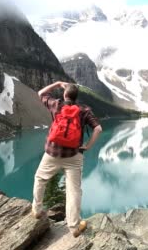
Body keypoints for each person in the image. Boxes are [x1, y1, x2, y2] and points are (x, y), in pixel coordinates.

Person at [32, 81, 103, 237]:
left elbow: (41, 93)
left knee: (40, 178)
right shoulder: (84, 110)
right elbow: (98, 128)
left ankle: (37, 210)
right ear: (76, 96)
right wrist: (88, 146)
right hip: (74, 156)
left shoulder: (57, 105)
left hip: (52, 152)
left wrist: (57, 84)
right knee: (74, 191)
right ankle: (74, 227)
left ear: (65, 95)